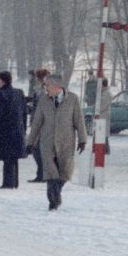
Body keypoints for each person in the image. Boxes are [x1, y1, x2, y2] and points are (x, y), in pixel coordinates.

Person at [25, 74, 87, 211]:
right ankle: (53, 200)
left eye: (47, 85)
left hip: (66, 142)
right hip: (47, 142)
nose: (45, 88)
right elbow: (36, 123)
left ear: (57, 86)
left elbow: (79, 120)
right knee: (51, 173)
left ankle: (56, 193)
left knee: (65, 172)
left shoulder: (72, 99)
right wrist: (30, 143)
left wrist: (82, 140)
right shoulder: (43, 101)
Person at [0, 70, 27, 189]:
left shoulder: (1, 94)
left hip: (5, 131)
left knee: (7, 158)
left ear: (2, 81)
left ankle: (8, 183)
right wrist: (23, 128)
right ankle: (14, 182)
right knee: (14, 158)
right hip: (17, 130)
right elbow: (24, 113)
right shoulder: (19, 93)